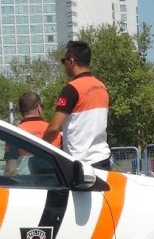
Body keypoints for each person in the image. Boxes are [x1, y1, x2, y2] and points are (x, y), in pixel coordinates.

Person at [43, 40, 111, 169]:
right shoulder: (101, 86)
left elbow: (54, 128)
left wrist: (39, 146)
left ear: (71, 61)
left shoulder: (71, 89)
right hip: (103, 159)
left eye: (64, 61)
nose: (64, 65)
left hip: (81, 164)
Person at [5, 91, 61, 176]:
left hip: (28, 185)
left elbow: (10, 170)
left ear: (21, 111)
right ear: (39, 108)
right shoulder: (54, 131)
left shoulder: (14, 134)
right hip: (53, 184)